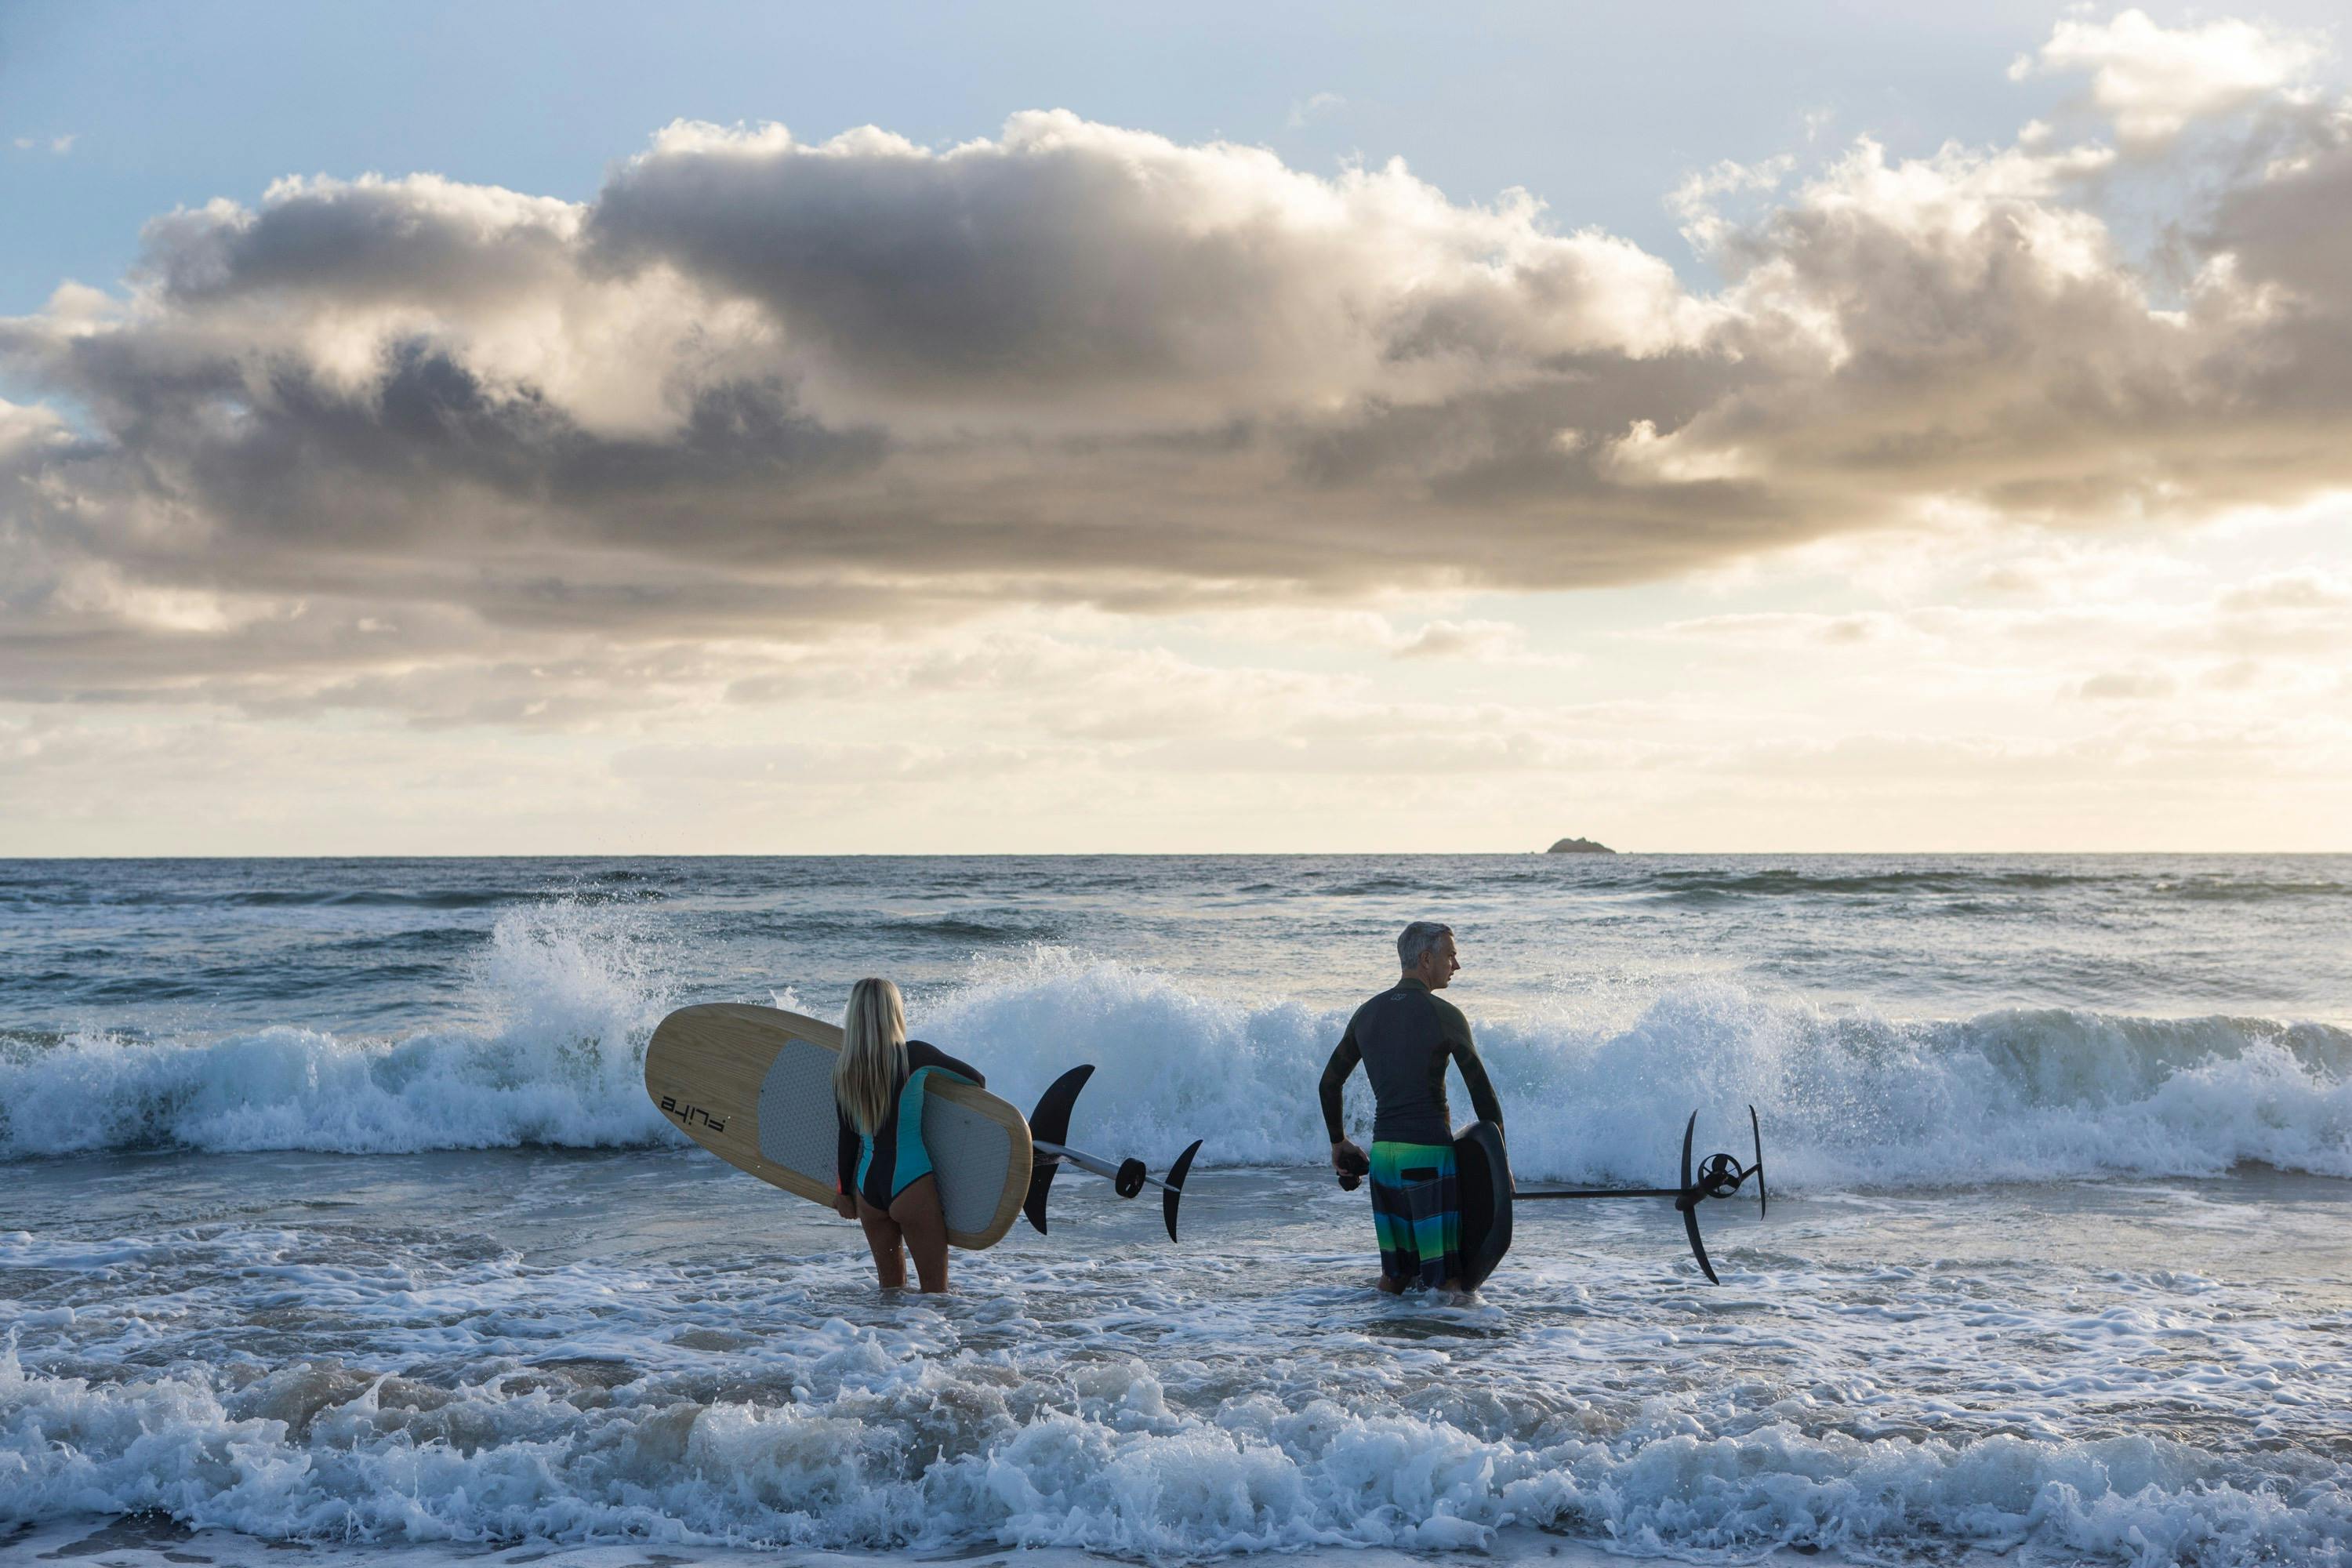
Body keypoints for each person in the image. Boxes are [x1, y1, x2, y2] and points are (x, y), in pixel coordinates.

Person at [1319, 921, 1504, 1293]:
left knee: (1396, 1277)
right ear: (1426, 959)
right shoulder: (1444, 1014)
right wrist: (1502, 1167)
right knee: (1446, 1282)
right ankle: (1443, 1351)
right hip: (1428, 1159)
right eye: (1450, 955)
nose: (1456, 965)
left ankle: (1379, 1343)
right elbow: (1482, 1094)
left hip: (1384, 1159)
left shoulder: (1367, 1013)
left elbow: (1329, 1082)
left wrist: (1339, 1142)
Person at [832, 978, 984, 1293]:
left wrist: (843, 1192)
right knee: (935, 1293)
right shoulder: (915, 1055)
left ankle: (882, 1341)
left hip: (866, 1188)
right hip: (910, 1182)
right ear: (894, 1012)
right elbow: (976, 1081)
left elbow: (847, 1137)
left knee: (890, 1292)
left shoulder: (844, 1070)